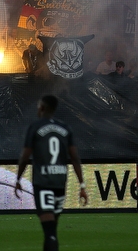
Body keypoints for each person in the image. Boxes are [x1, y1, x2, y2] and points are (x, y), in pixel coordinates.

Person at [14, 95, 88, 251]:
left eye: (39, 106)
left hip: (43, 182)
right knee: (52, 228)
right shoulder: (65, 128)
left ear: (42, 108)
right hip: (60, 181)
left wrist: (18, 179)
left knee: (50, 233)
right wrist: (82, 185)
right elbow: (75, 158)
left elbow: (25, 157)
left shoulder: (35, 127)